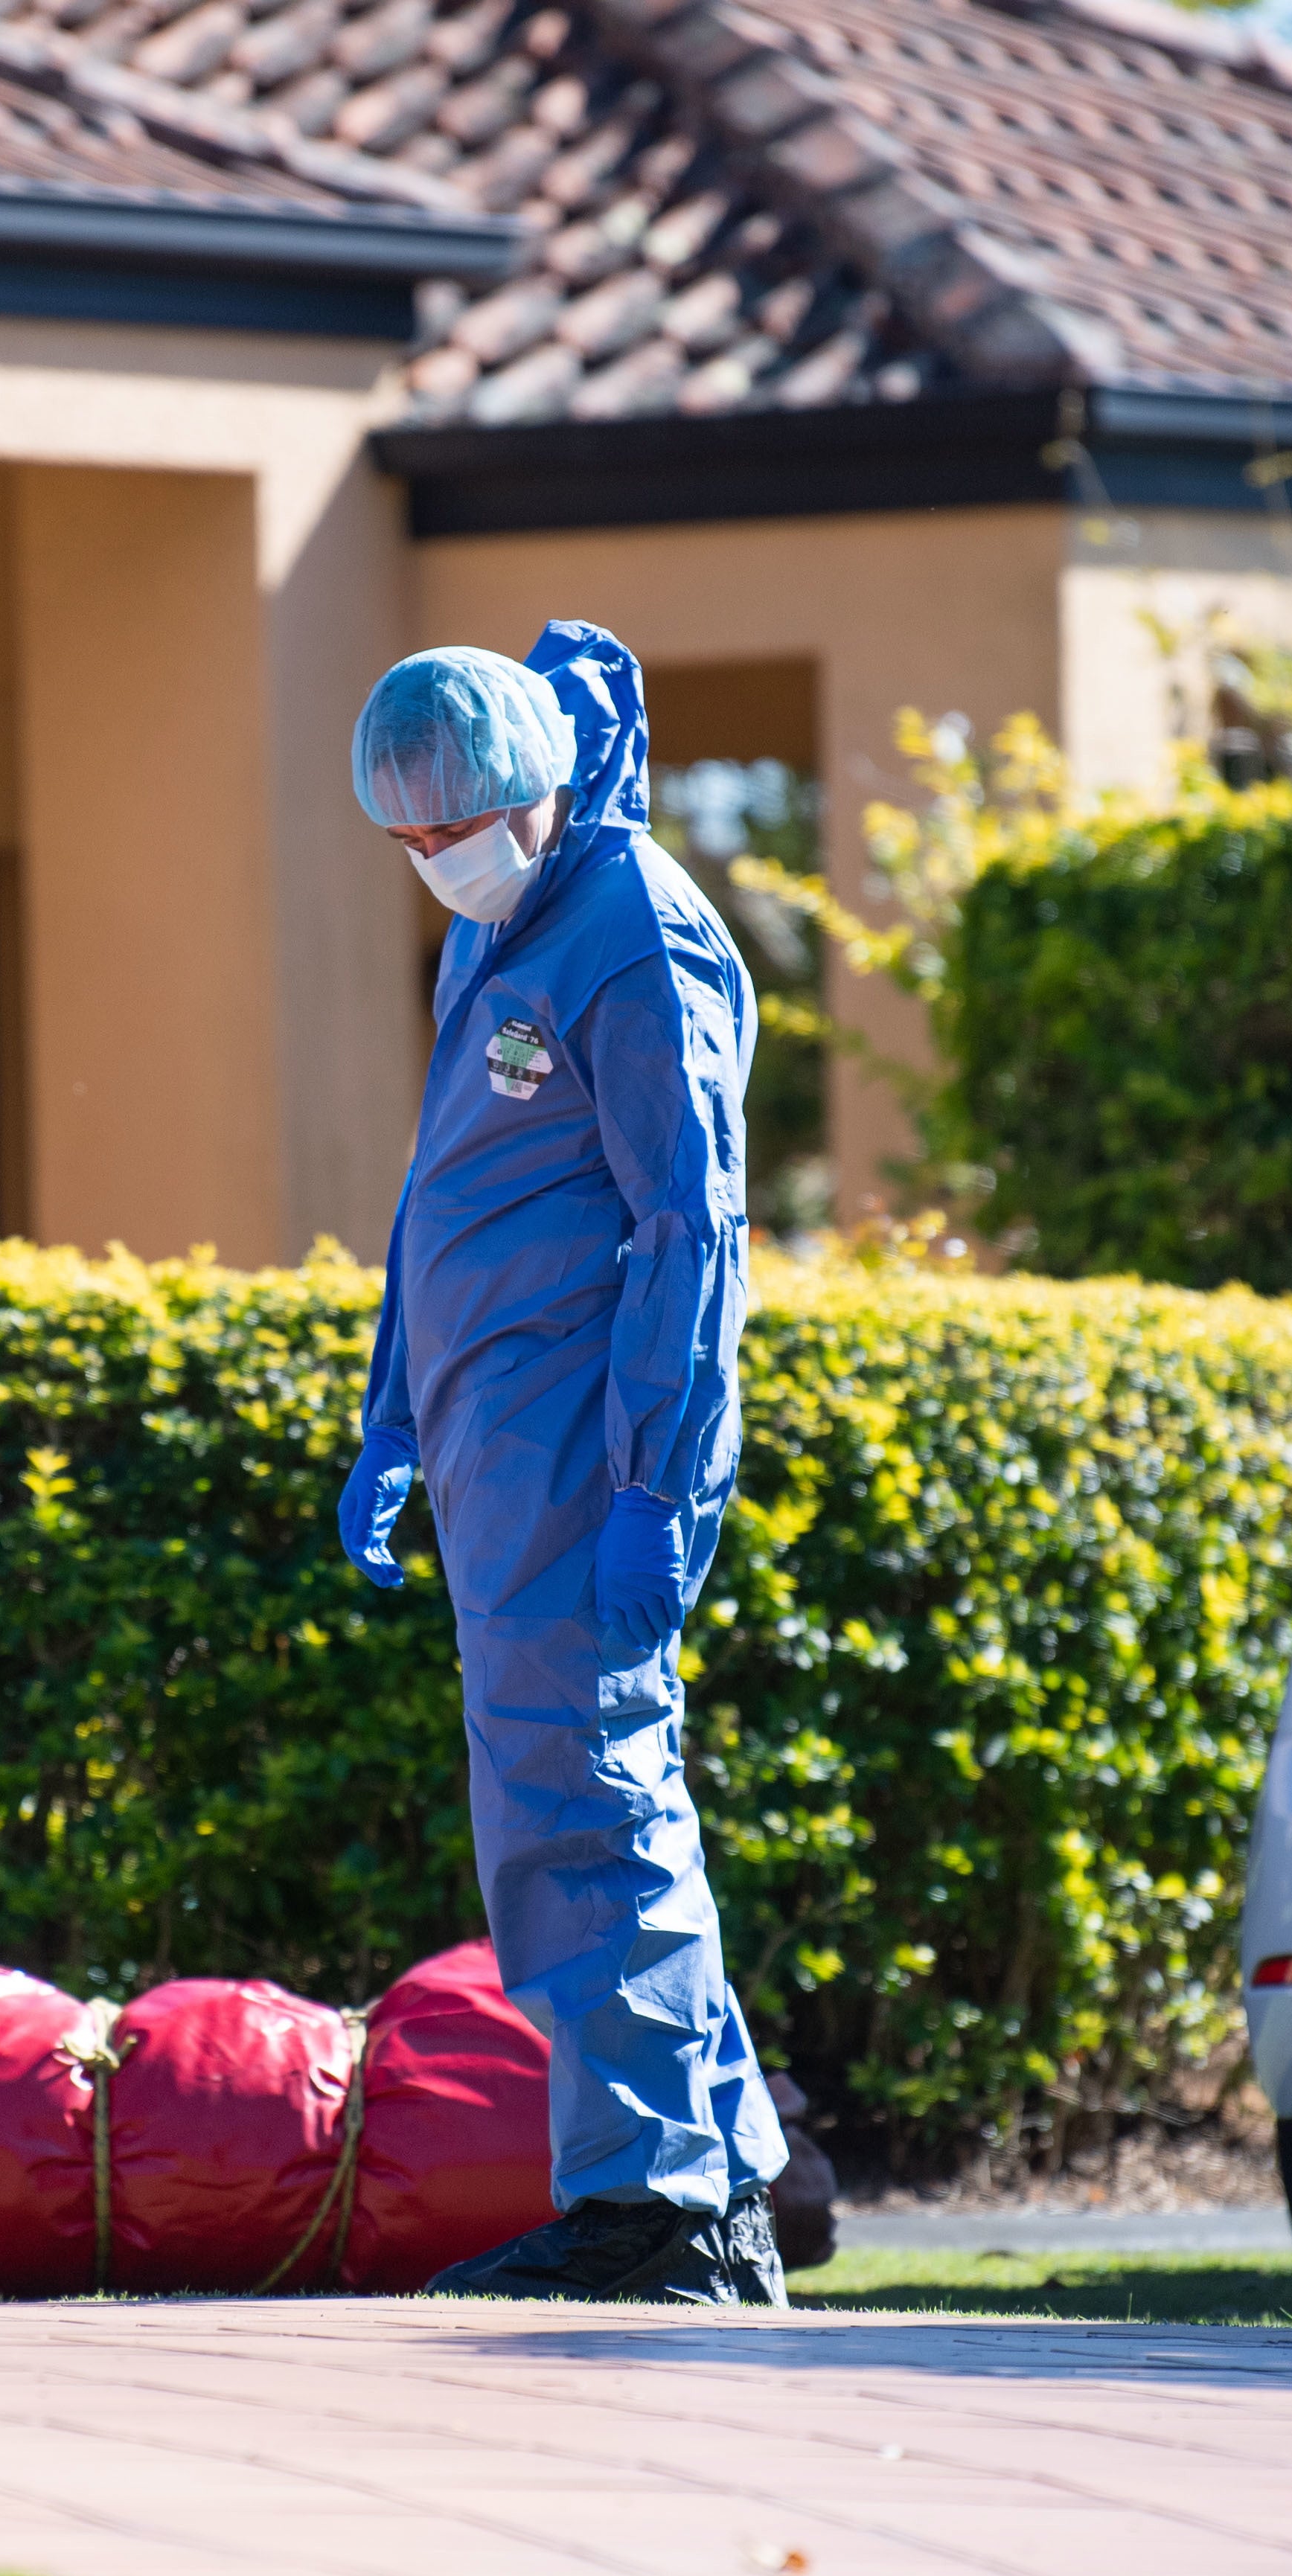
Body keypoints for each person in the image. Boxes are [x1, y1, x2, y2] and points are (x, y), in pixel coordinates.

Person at [337, 622, 790, 2304]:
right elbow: (443, 1190)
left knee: (585, 1816)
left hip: (580, 1467)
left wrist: (656, 1491)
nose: (427, 861)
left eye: (442, 830)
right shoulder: (506, 925)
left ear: (528, 794)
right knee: (569, 1809)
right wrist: (393, 1415)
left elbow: (692, 1234)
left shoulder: (632, 940)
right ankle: (711, 2188)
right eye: (402, 839)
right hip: (491, 1455)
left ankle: (651, 2204)